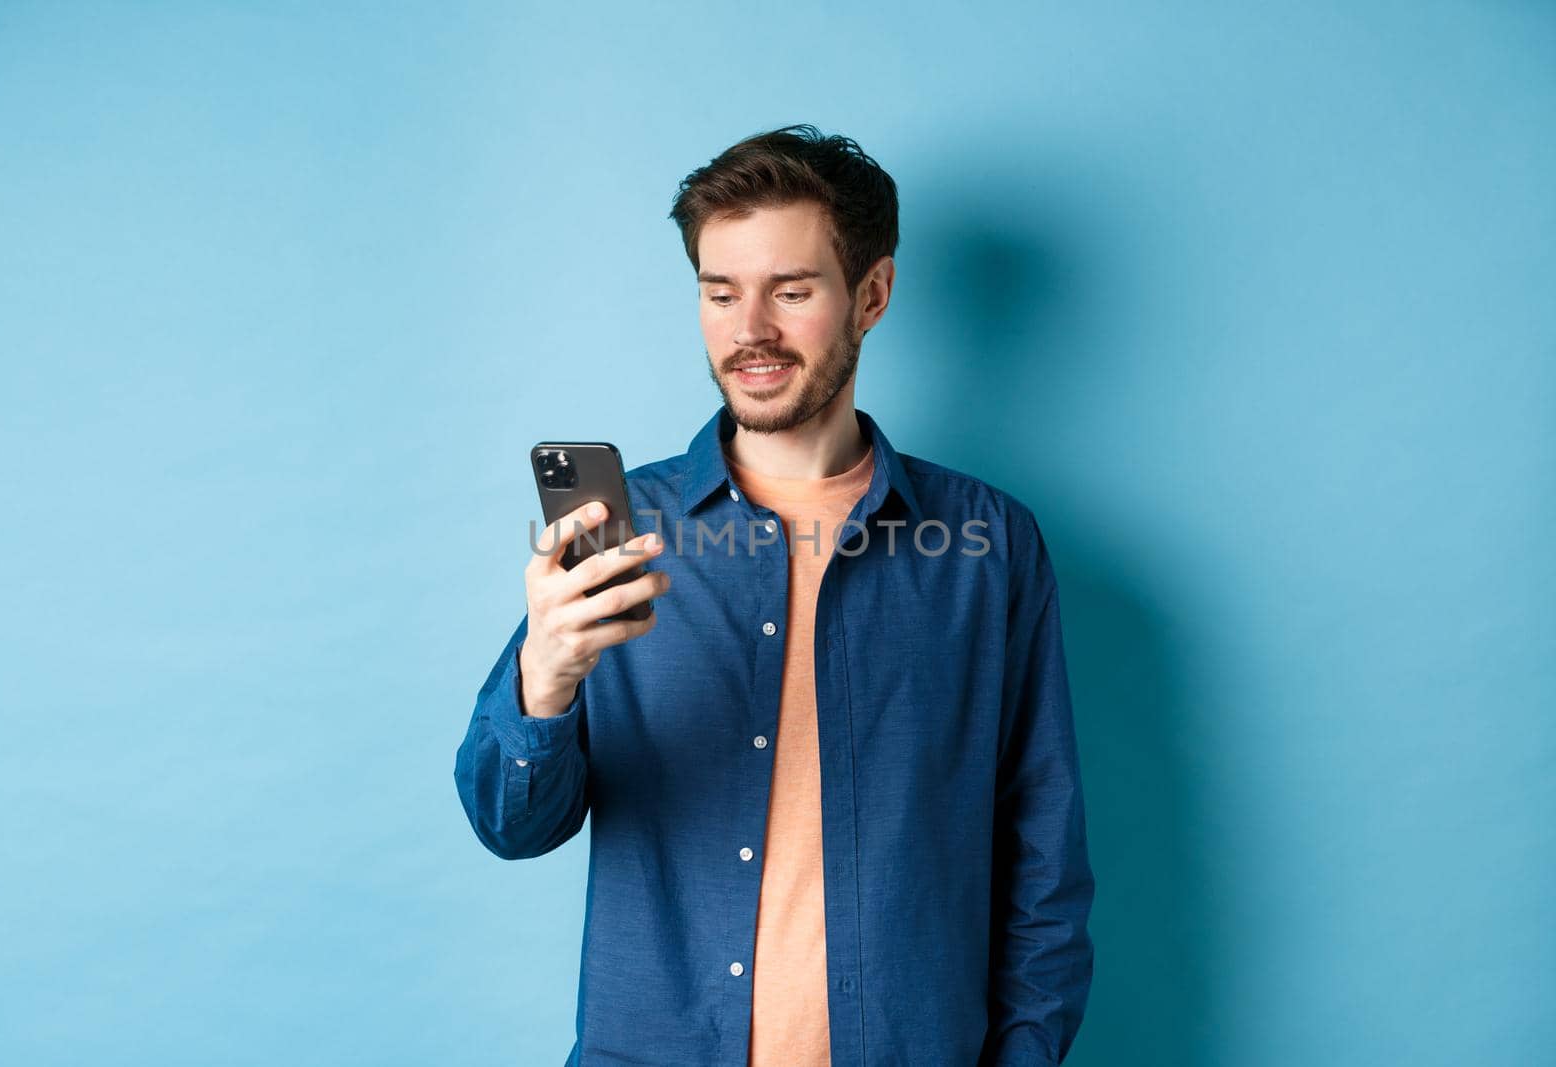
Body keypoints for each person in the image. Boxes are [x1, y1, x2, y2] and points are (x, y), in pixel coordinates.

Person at [454, 124, 1095, 1066]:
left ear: (870, 294)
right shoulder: (622, 531)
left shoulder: (988, 545)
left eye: (791, 292)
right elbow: (512, 826)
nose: (750, 330)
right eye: (721, 293)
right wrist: (543, 682)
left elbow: (1044, 855)